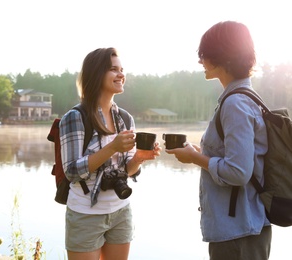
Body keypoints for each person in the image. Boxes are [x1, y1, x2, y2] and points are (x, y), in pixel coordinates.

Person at [166, 21, 272, 260]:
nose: (200, 60)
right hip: (245, 228)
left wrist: (195, 158)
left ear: (222, 57)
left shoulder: (235, 103)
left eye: (203, 54)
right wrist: (199, 154)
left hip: (239, 234)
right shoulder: (243, 97)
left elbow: (238, 172)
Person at [59, 47, 161, 260]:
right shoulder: (75, 117)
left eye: (122, 69)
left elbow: (126, 172)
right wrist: (112, 147)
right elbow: (71, 171)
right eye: (114, 69)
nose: (121, 74)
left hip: (121, 212)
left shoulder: (125, 118)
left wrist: (140, 158)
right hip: (85, 214)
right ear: (96, 73)